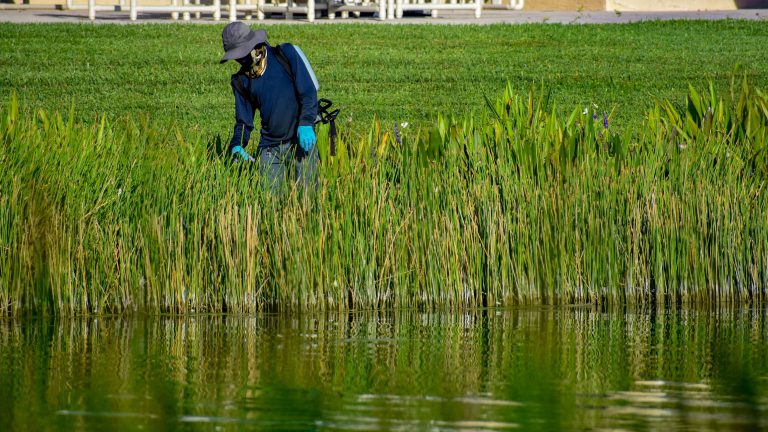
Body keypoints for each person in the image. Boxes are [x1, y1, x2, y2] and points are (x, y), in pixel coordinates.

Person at [220, 21, 318, 192]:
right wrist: (237, 145)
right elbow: (244, 122)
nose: (239, 59)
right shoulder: (240, 81)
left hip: (301, 142)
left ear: (253, 44)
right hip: (269, 149)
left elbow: (308, 91)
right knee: (269, 208)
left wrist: (306, 123)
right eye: (236, 56)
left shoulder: (286, 54)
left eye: (241, 54)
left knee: (308, 203)